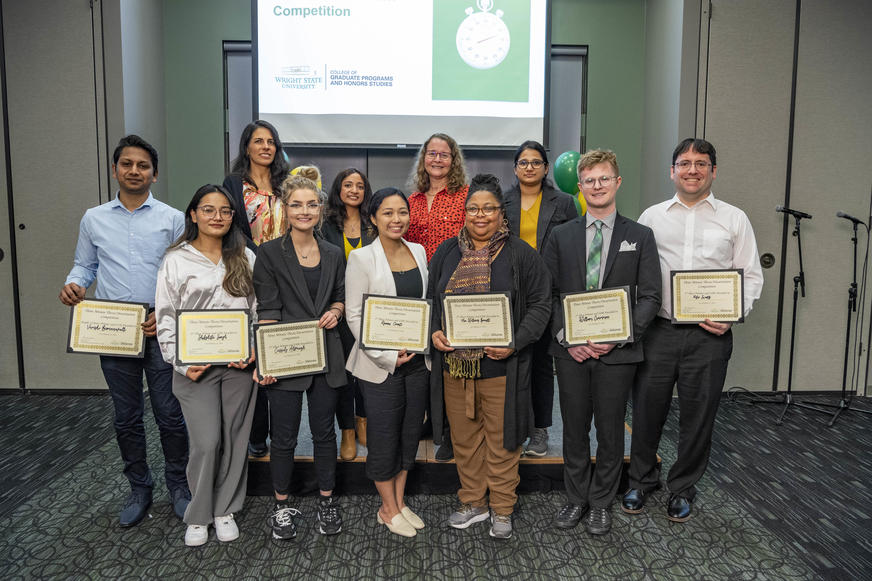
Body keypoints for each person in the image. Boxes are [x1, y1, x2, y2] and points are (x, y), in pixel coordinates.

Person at [623, 138, 763, 522]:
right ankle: (640, 481)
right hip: (658, 331)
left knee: (698, 416)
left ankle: (682, 488)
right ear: (672, 171)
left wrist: (733, 314)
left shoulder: (734, 219)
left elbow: (751, 275)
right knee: (647, 410)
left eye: (701, 163)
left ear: (713, 171)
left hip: (709, 336)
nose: (692, 170)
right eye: (684, 163)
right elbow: (636, 273)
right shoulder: (652, 217)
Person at [59, 135, 190, 527]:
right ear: (115, 170)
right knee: (126, 416)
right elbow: (85, 265)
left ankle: (179, 485)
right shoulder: (93, 218)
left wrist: (166, 313)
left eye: (143, 166)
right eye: (127, 164)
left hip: (159, 325)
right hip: (114, 328)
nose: (135, 171)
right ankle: (139, 487)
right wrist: (74, 284)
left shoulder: (172, 219)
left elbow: (182, 274)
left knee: (170, 414)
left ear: (154, 174)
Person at [542, 150, 661, 535]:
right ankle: (576, 498)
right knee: (574, 429)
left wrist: (619, 337)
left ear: (617, 182)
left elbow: (651, 297)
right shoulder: (560, 236)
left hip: (618, 353)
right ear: (580, 187)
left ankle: (601, 502)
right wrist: (567, 338)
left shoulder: (639, 236)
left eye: (604, 178)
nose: (597, 186)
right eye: (590, 180)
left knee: (610, 431)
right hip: (571, 352)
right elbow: (548, 293)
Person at [429, 174, 551, 539]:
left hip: (502, 369)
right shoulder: (446, 253)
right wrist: (434, 331)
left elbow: (541, 305)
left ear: (501, 213)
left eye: (488, 209)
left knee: (502, 442)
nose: (480, 215)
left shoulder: (521, 255)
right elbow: (432, 302)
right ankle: (473, 502)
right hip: (456, 368)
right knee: (465, 441)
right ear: (464, 212)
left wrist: (515, 341)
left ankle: (501, 508)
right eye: (473, 209)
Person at [155, 185, 258, 546]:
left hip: (238, 366)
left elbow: (257, 311)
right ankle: (198, 514)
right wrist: (180, 363)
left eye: (225, 211)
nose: (217, 216)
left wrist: (253, 349)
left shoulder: (245, 256)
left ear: (232, 217)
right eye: (209, 209)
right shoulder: (176, 259)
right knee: (206, 441)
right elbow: (165, 316)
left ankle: (224, 508)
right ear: (194, 214)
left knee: (234, 438)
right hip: (194, 368)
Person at [253, 174, 347, 539]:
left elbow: (340, 296)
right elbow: (268, 309)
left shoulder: (334, 253)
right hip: (285, 357)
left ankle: (326, 500)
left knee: (324, 433)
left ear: (320, 208)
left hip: (326, 355)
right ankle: (281, 505)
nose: (304, 211)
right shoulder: (268, 253)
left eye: (311, 204)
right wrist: (267, 361)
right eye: (296, 204)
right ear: (285, 208)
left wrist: (336, 311)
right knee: (284, 436)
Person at [345, 187, 430, 537]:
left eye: (402, 212)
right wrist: (386, 355)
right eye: (388, 213)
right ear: (374, 218)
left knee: (410, 434)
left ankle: (400, 501)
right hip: (379, 365)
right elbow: (354, 314)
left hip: (418, 362)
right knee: (383, 436)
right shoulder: (361, 258)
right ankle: (387, 508)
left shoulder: (419, 250)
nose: (397, 219)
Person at [503, 140, 578, 457]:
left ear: (546, 168)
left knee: (542, 364)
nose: (530, 167)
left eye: (536, 162)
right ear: (515, 168)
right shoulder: (502, 201)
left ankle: (540, 429)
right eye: (523, 162)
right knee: (512, 361)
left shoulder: (564, 202)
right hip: (509, 291)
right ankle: (512, 427)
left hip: (547, 291)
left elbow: (571, 247)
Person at [223, 120, 291, 459]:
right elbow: (232, 227)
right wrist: (260, 256)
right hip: (250, 272)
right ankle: (257, 432)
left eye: (270, 141)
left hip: (287, 274)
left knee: (281, 350)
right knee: (255, 351)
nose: (265, 147)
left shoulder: (287, 183)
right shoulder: (234, 183)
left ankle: (284, 432)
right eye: (258, 141)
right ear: (246, 146)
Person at [406, 132, 469, 461]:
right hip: (418, 287)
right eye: (432, 153)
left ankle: (452, 430)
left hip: (454, 286)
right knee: (424, 358)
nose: (437, 159)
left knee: (450, 356)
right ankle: (431, 420)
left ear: (453, 160)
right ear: (424, 158)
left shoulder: (465, 196)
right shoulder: (413, 199)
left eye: (444, 154)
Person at [320, 168, 375, 461]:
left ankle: (363, 420)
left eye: (360, 185)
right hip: (338, 307)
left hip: (370, 309)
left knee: (367, 369)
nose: (354, 190)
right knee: (342, 374)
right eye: (348, 185)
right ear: (338, 190)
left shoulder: (373, 223)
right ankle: (348, 430)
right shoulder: (325, 224)